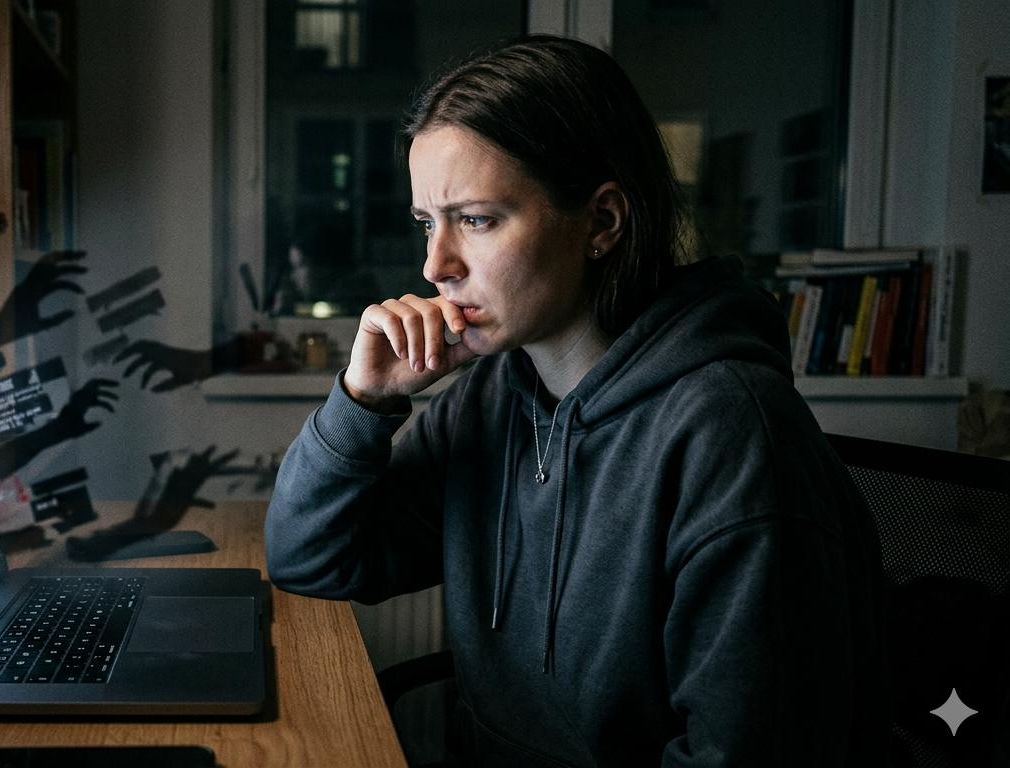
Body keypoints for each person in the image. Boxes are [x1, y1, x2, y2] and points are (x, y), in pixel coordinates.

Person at [264, 35, 887, 767]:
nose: (436, 265)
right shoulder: (495, 395)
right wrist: (360, 401)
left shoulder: (731, 433)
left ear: (602, 222)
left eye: (478, 218)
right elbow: (310, 560)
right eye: (427, 222)